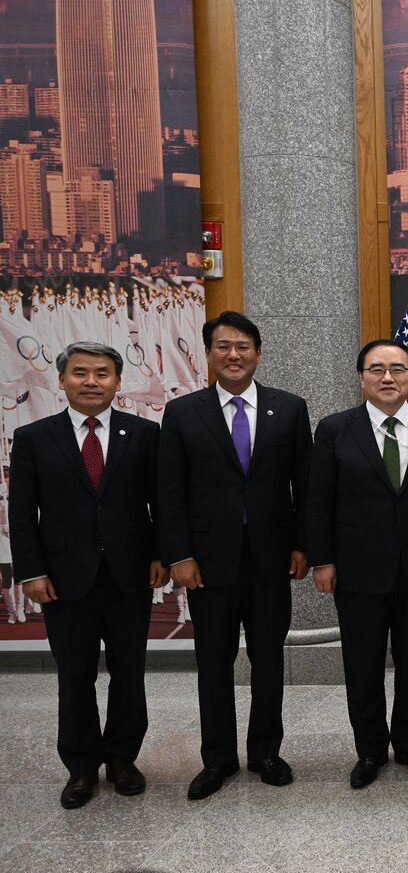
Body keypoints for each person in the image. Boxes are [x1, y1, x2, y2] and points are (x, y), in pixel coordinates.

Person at [159, 311, 312, 800]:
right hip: (207, 562)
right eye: (223, 346)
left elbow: (304, 487)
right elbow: (170, 492)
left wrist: (303, 544)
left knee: (268, 659)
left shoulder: (289, 409)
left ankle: (267, 751)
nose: (233, 355)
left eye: (243, 346)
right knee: (214, 662)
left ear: (258, 352)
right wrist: (179, 553)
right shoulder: (183, 413)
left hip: (271, 558)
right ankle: (218, 758)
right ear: (208, 354)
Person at [9, 342, 165, 809]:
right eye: (80, 373)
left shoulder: (144, 434)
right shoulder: (35, 437)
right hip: (62, 577)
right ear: (62, 381)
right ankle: (80, 767)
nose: (91, 382)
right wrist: (31, 570)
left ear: (118, 382)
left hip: (129, 574)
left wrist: (162, 553)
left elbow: (162, 501)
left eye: (102, 373)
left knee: (128, 674)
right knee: (74, 677)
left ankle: (121, 759)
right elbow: (21, 513)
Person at [307, 339, 408, 789]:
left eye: (398, 369)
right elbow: (319, 500)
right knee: (362, 664)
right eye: (377, 369)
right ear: (361, 376)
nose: (388, 378)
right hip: (357, 569)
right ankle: (369, 749)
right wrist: (322, 560)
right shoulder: (334, 430)